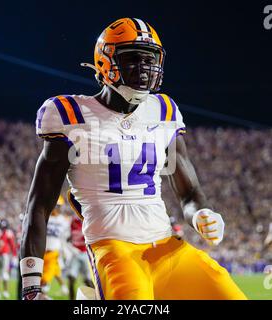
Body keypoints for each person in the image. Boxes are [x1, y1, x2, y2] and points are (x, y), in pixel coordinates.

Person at [20, 17, 247, 300]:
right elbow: (39, 206)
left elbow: (189, 194)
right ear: (105, 62)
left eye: (149, 60)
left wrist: (202, 214)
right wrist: (30, 286)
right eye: (132, 59)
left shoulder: (164, 110)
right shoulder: (70, 115)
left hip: (168, 247)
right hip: (114, 248)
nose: (143, 69)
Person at [41, 195, 69, 296]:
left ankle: (44, 295)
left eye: (57, 206)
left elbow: (66, 237)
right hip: (43, 251)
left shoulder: (64, 221)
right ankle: (63, 288)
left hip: (53, 251)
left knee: (44, 278)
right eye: (54, 206)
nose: (55, 208)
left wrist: (65, 251)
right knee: (56, 272)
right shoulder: (44, 217)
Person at [0, 218, 17, 300]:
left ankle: (5, 291)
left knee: (4, 274)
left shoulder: (8, 233)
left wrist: (14, 255)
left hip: (4, 255)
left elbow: (12, 245)